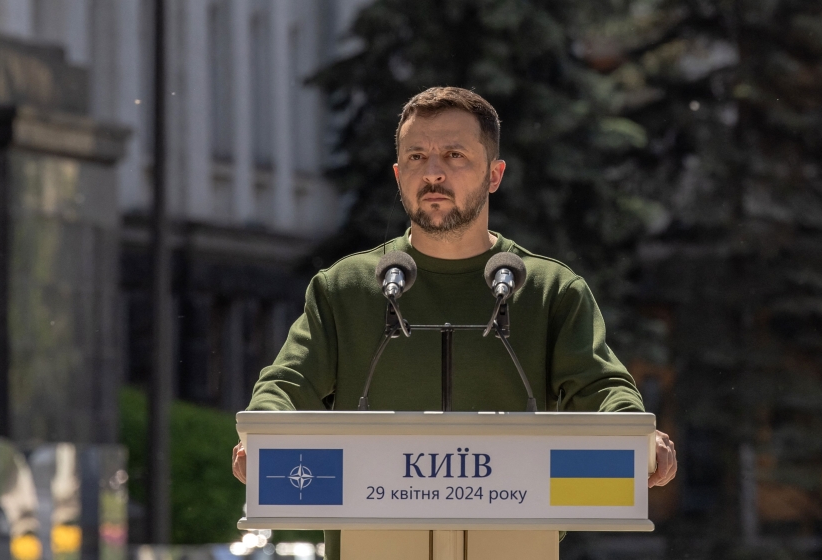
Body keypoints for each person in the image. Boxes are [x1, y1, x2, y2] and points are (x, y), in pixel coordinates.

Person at [232, 86, 677, 557]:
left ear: (494, 174)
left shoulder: (549, 290)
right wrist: (264, 434)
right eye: (417, 157)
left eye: (454, 155)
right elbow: (287, 385)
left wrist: (636, 435)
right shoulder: (346, 288)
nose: (433, 172)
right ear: (399, 174)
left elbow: (601, 389)